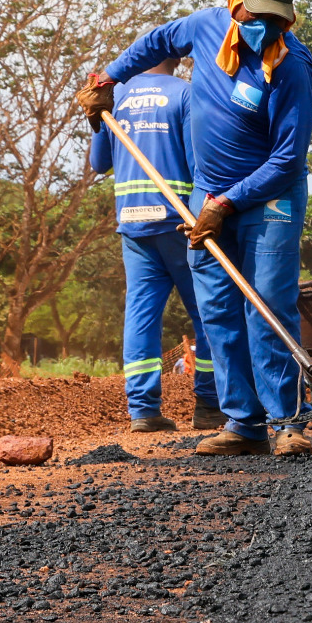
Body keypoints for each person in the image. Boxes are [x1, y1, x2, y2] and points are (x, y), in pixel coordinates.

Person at [79, 0, 312, 459]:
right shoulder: (206, 26)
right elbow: (156, 44)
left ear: (287, 17)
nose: (262, 27)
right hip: (206, 198)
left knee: (267, 304)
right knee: (218, 310)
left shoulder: (293, 68)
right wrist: (109, 79)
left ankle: (288, 422)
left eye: (274, 19)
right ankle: (243, 423)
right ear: (237, 3)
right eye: (255, 15)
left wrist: (228, 204)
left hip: (266, 200)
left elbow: (287, 160)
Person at [87, 62, 217, 433]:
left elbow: (99, 164)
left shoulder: (114, 96)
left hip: (133, 223)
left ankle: (143, 410)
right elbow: (200, 167)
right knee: (205, 313)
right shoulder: (185, 93)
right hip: (178, 222)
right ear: (175, 60)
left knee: (141, 317)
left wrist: (101, 119)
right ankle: (209, 405)